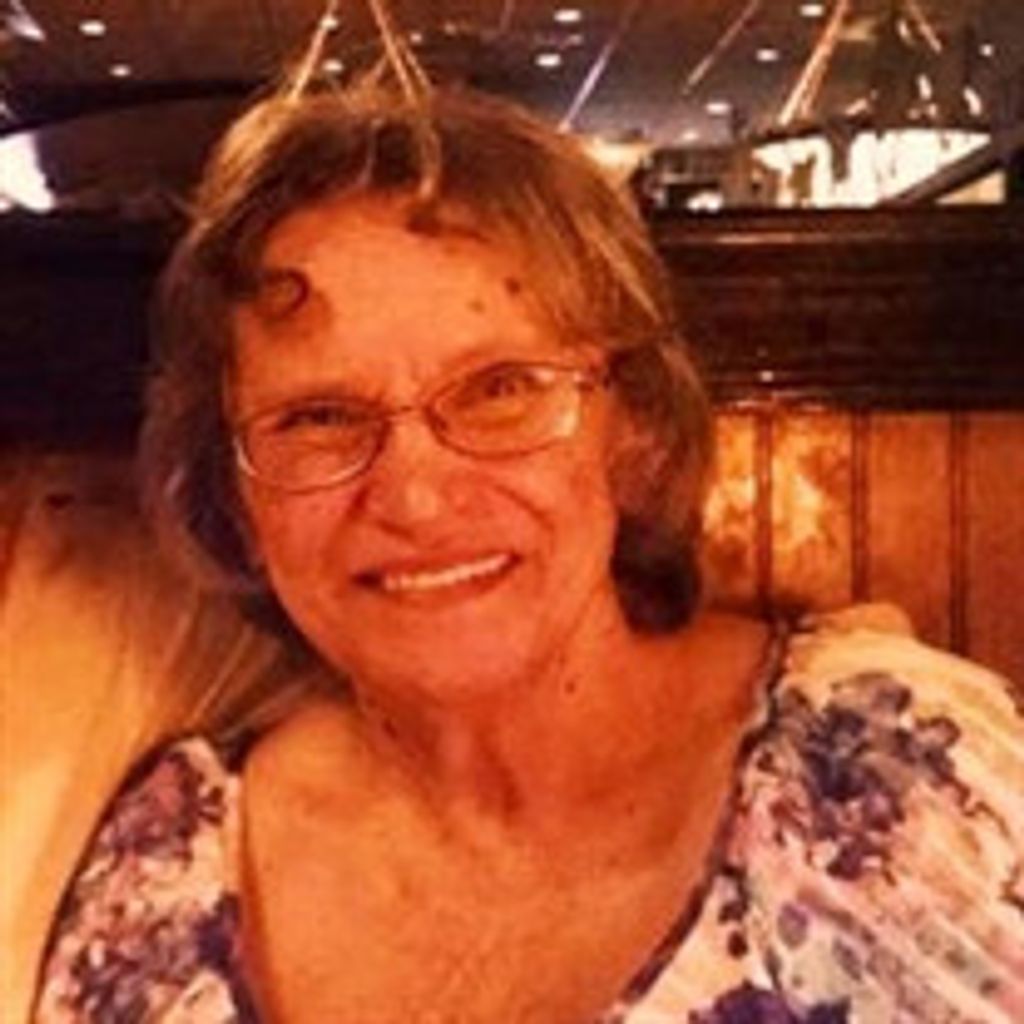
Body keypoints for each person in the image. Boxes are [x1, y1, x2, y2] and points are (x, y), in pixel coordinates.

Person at [31, 52, 1024, 1024]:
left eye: (498, 389)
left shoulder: (901, 770)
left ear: (632, 430)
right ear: (233, 493)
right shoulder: (166, 867)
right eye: (320, 417)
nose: (416, 497)